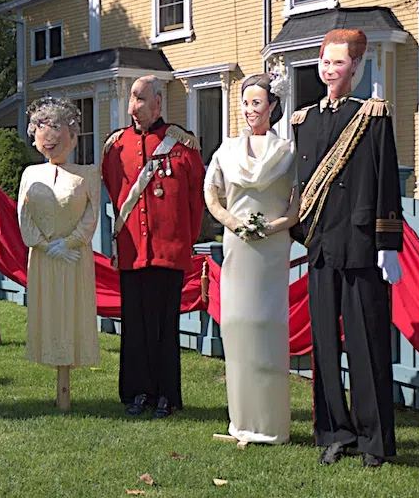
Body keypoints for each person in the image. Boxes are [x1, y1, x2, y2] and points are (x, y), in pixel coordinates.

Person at [291, 29, 402, 468]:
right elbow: (302, 187)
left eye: (338, 62)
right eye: (324, 61)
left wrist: (387, 243)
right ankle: (335, 432)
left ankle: (374, 440)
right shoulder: (305, 120)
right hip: (321, 244)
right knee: (324, 345)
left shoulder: (373, 116)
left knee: (367, 342)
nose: (329, 69)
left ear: (356, 66)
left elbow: (385, 180)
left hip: (360, 244)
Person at [102, 75, 205, 418]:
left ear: (158, 103)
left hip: (168, 251)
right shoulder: (116, 147)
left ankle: (166, 395)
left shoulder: (182, 145)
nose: (134, 107)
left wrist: (182, 244)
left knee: (164, 327)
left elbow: (194, 202)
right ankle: (136, 392)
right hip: (133, 252)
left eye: (141, 99)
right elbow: (116, 194)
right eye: (131, 99)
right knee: (135, 326)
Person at [204, 74, 297, 445]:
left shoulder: (289, 152)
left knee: (268, 327)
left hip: (272, 249)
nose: (249, 110)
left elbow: (297, 203)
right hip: (238, 247)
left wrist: (272, 227)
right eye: (245, 103)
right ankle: (240, 423)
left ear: (272, 107)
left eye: (257, 103)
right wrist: (235, 224)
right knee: (238, 327)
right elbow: (212, 196)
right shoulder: (225, 151)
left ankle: (271, 427)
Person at [17, 97, 100, 409]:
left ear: (73, 135)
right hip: (44, 260)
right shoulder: (30, 174)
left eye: (55, 127)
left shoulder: (88, 173)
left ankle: (69, 372)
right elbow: (23, 215)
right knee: (49, 313)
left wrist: (70, 243)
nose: (48, 134)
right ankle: (54, 368)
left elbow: (91, 215)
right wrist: (44, 245)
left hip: (75, 260)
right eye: (41, 127)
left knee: (73, 313)